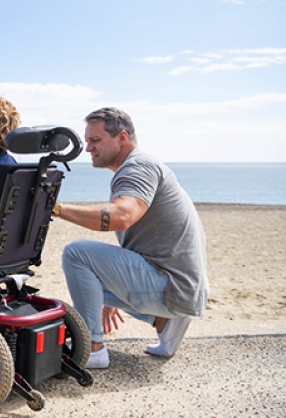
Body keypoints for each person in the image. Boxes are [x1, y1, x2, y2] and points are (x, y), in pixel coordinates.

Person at [53, 107, 208, 369]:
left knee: (76, 252)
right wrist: (111, 283)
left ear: (122, 137)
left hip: (173, 287)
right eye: (87, 141)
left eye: (95, 140)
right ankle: (166, 323)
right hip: (182, 287)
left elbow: (122, 215)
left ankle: (93, 349)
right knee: (88, 273)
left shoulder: (138, 167)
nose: (88, 149)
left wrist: (55, 208)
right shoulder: (138, 166)